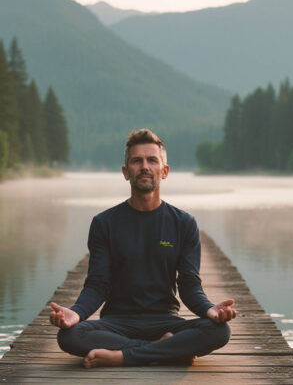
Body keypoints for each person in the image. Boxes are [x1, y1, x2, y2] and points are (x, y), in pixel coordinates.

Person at [50, 128, 236, 368]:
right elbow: (97, 285)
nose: (145, 166)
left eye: (152, 160)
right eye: (137, 161)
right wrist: (75, 313)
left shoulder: (184, 223)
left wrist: (210, 309)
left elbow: (189, 285)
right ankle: (167, 350)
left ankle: (121, 356)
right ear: (126, 172)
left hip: (165, 320)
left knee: (219, 331)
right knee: (69, 335)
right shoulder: (104, 223)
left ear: (164, 171)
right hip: (117, 322)